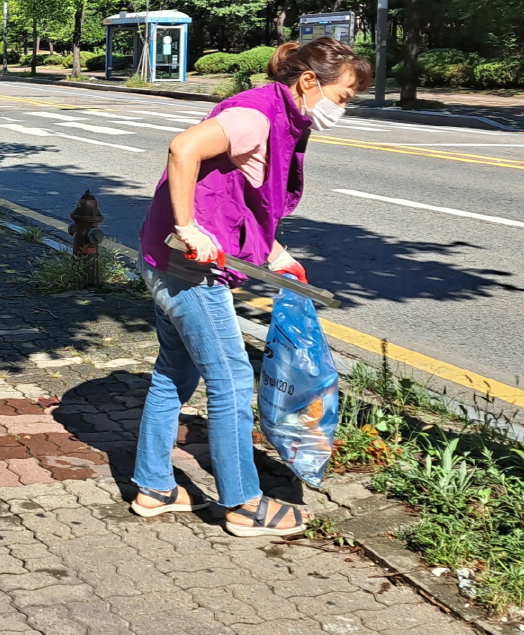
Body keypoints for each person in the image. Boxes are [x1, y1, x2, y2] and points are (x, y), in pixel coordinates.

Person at [132, 37, 371, 538]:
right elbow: (183, 148)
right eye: (343, 97)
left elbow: (238, 197)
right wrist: (189, 228)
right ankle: (243, 504)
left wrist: (277, 254)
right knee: (233, 382)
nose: (342, 109)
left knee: (174, 373)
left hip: (165, 258)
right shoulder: (258, 115)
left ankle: (154, 487)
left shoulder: (281, 116)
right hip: (190, 268)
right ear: (309, 81)